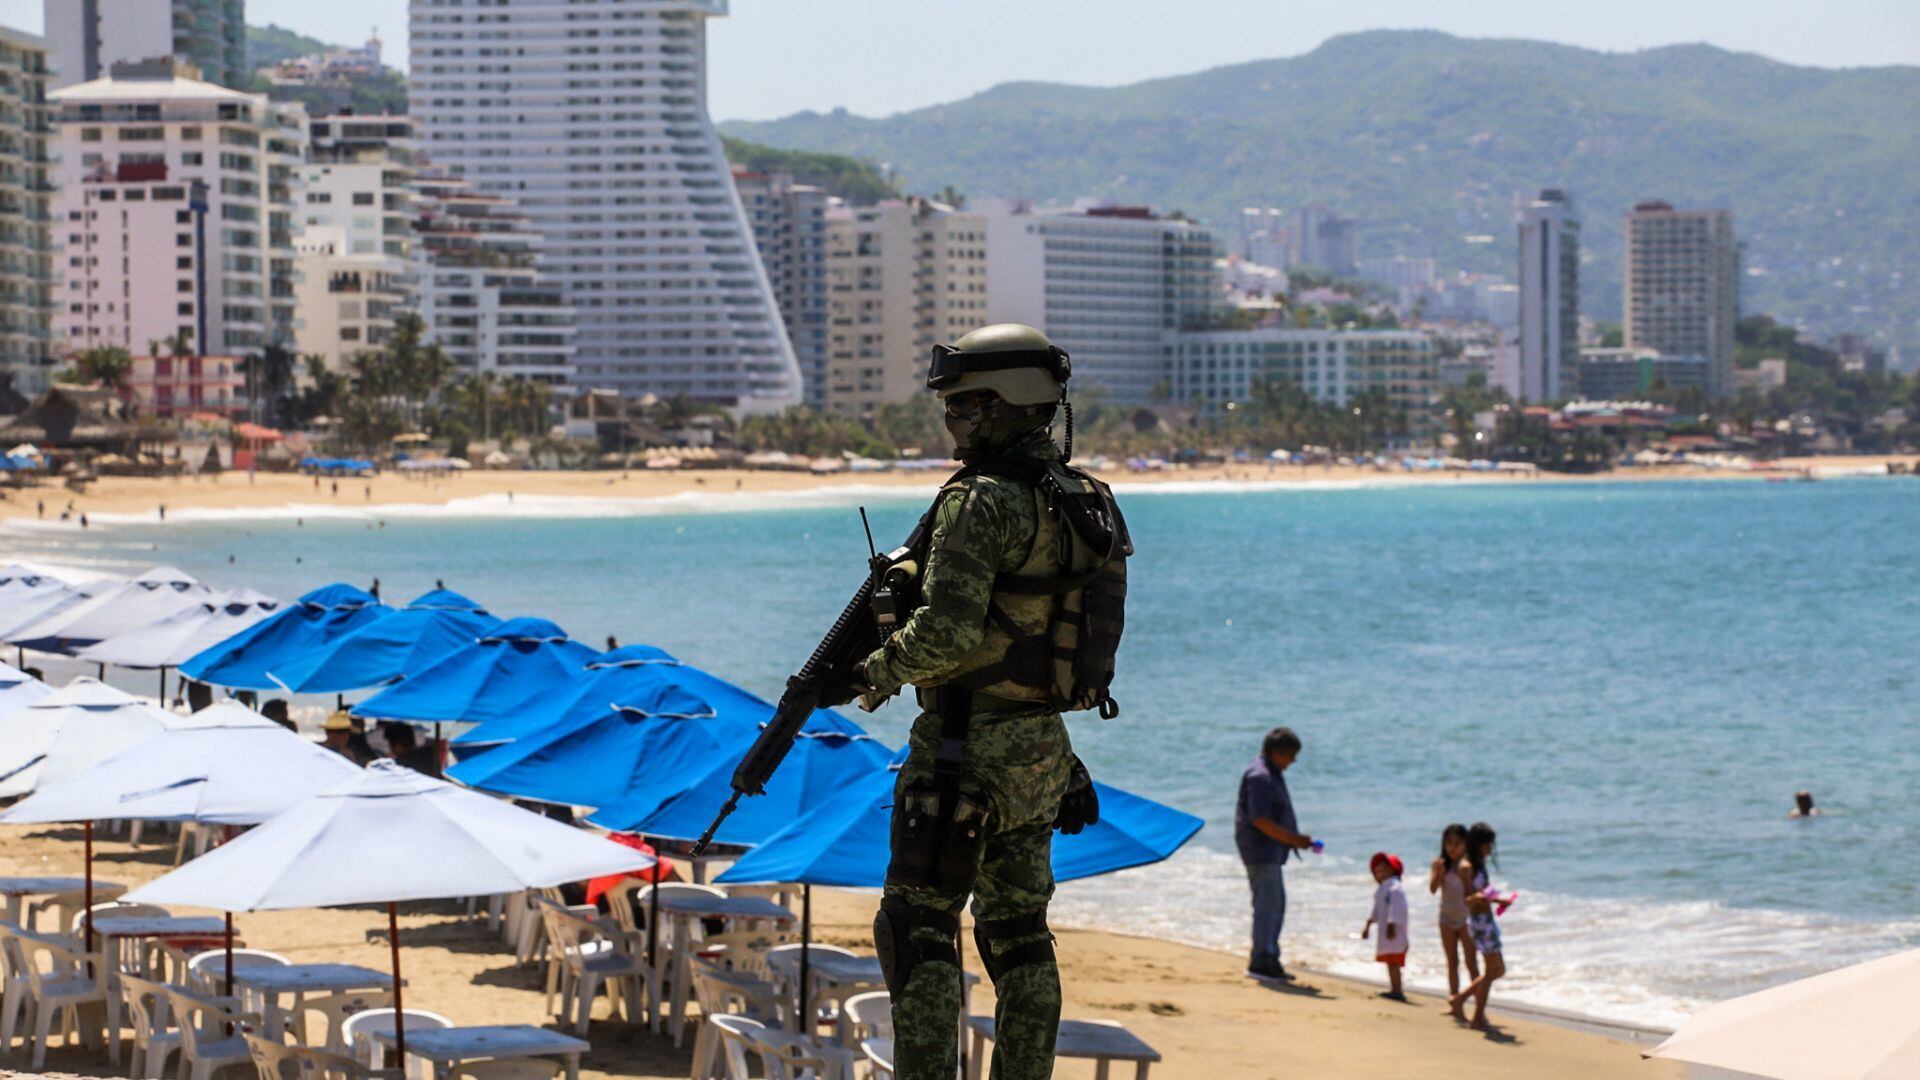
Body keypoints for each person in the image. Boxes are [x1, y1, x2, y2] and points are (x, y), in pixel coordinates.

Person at [851, 324, 1119, 1080]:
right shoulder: (1087, 499)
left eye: (965, 408)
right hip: (1043, 755)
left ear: (1010, 405)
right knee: (1019, 934)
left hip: (960, 753)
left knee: (918, 928)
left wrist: (879, 670)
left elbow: (946, 632)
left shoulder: (980, 502)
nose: (953, 424)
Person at [1236, 726, 1314, 979]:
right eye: (1290, 755)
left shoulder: (1271, 772)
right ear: (1276, 752)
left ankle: (1269, 956)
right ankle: (1261, 961)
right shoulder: (1260, 776)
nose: (1292, 761)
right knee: (1267, 906)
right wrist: (1294, 839)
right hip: (1260, 851)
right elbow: (1260, 820)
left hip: (1268, 851)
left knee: (1275, 904)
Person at [1449, 821, 1505, 1028]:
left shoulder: (1478, 865)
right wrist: (1484, 896)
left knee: (1497, 970)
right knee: (1493, 970)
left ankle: (1461, 1000)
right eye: (1487, 844)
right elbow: (1467, 899)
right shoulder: (1467, 867)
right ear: (1479, 843)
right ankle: (1476, 1015)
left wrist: (1499, 900)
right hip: (1479, 922)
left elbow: (1480, 896)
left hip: (1486, 919)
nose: (1490, 849)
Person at [1430, 823, 1480, 1000]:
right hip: (1446, 918)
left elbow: (1473, 896)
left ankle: (1479, 1005)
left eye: (1457, 843)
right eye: (1449, 842)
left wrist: (1466, 877)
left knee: (1471, 963)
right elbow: (1433, 889)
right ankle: (1454, 1000)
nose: (1452, 847)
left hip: (1466, 919)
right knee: (1452, 962)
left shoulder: (1469, 866)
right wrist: (1437, 874)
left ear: (1466, 844)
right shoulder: (1441, 864)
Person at [1363, 852, 1409, 1001]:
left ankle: (1398, 990)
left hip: (1394, 933)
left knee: (1394, 962)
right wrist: (1368, 923)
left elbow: (1399, 908)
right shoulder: (1382, 889)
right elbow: (1376, 910)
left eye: (1382, 867)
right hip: (1387, 933)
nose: (1378, 870)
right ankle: (1394, 988)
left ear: (1391, 869)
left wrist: (1391, 923)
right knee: (1390, 962)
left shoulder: (1395, 888)